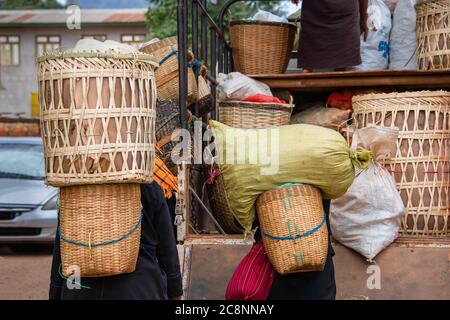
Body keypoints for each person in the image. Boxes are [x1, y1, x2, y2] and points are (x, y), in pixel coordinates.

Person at [49, 182, 183, 300]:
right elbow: (167, 250)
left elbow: (61, 249)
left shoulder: (72, 189)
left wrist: (55, 292)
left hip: (79, 290)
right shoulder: (148, 186)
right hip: (138, 289)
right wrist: (175, 291)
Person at [296, 0, 369, 72]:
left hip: (345, 15)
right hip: (315, 11)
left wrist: (364, 18)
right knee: (308, 64)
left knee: (343, 61)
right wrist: (364, 18)